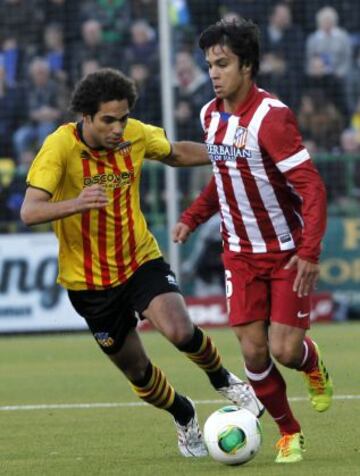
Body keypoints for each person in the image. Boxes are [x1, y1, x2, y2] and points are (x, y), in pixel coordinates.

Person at [20, 67, 263, 458]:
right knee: (138, 371)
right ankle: (183, 414)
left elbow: (177, 152)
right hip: (89, 283)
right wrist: (77, 203)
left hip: (139, 260)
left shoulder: (134, 135)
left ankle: (225, 380)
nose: (118, 128)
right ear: (86, 117)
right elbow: (30, 212)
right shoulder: (59, 148)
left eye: (123, 118)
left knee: (179, 328)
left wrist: (230, 155)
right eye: (108, 120)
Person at [172, 19, 333, 464]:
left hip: (284, 252)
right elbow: (223, 178)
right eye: (209, 65)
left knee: (284, 349)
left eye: (222, 64)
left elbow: (312, 187)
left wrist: (309, 252)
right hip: (239, 255)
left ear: (247, 66)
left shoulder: (272, 118)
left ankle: (312, 363)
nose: (214, 74)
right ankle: (289, 432)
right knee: (253, 351)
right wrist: (192, 217)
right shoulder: (209, 115)